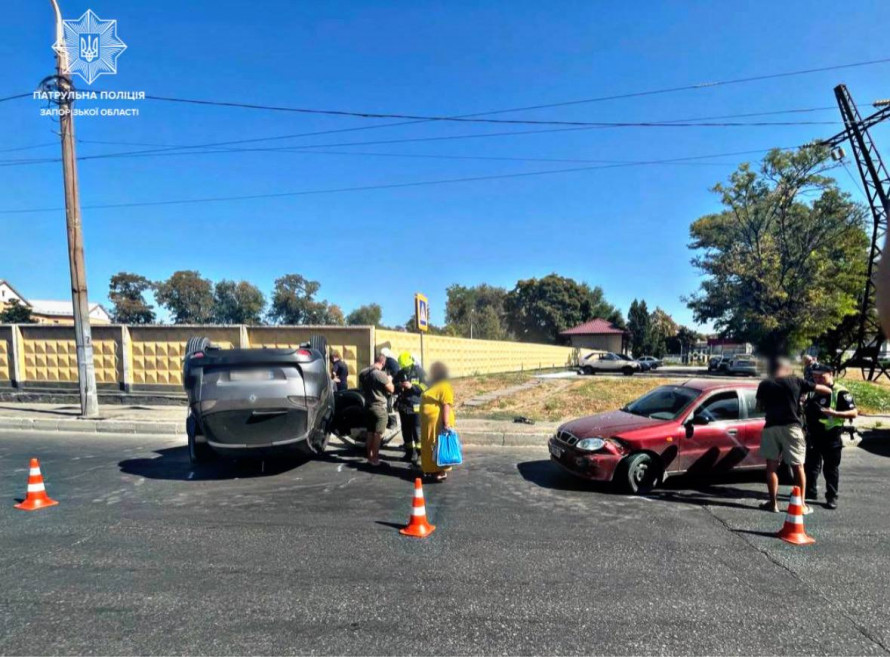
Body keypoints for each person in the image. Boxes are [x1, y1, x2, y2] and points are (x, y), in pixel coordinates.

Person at [756, 357, 832, 514]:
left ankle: (773, 504)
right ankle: (801, 505)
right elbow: (826, 390)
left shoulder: (764, 384)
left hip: (771, 427)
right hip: (792, 427)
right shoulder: (796, 381)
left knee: (771, 468)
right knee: (798, 467)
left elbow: (758, 408)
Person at [804, 364, 858, 509]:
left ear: (831, 374)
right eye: (815, 377)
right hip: (813, 435)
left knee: (830, 468)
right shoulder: (813, 390)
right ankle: (810, 492)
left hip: (831, 436)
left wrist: (835, 413)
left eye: (821, 377)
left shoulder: (840, 391)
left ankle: (831, 497)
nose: (818, 380)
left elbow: (853, 413)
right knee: (811, 466)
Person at [419, 361, 456, 482]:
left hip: (438, 422)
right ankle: (431, 469)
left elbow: (446, 405)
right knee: (430, 445)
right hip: (429, 423)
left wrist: (446, 424)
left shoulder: (444, 385)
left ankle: (441, 471)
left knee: (438, 445)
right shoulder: (433, 384)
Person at [358, 353, 394, 466]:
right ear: (383, 362)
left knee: (370, 432)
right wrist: (389, 380)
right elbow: (391, 389)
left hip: (368, 405)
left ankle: (369, 457)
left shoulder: (363, 373)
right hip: (379, 407)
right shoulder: (380, 374)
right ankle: (375, 459)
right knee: (378, 434)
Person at [393, 352, 427, 464]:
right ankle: (409, 453)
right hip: (404, 407)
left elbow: (425, 386)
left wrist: (412, 386)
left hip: (416, 406)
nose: (405, 369)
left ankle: (420, 455)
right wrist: (400, 386)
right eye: (403, 367)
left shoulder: (419, 372)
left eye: (406, 367)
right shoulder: (400, 373)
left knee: (417, 432)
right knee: (406, 431)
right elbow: (394, 385)